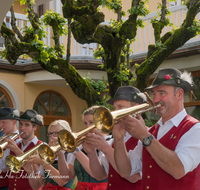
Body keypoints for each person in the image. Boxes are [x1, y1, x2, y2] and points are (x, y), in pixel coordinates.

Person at [113, 68, 200, 190]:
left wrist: (144, 136)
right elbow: (125, 171)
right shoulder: (151, 131)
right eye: (154, 94)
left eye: (162, 93)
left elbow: (178, 169)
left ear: (179, 94)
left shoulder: (195, 128)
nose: (155, 100)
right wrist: (118, 139)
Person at [83, 86, 147, 190]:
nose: (114, 113)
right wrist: (92, 153)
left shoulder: (146, 137)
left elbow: (133, 177)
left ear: (136, 108)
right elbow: (100, 175)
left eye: (120, 107)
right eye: (114, 108)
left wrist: (105, 148)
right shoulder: (114, 139)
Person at [58, 106, 112, 190]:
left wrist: (75, 150)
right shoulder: (80, 146)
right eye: (85, 123)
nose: (87, 127)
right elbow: (66, 177)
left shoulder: (109, 143)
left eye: (91, 122)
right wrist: (60, 154)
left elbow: (97, 175)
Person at [28, 120, 75, 190]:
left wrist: (43, 162)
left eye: (56, 133)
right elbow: (36, 186)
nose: (52, 137)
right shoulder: (46, 154)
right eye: (50, 134)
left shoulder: (71, 154)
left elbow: (62, 181)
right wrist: (30, 172)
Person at [5, 109, 44, 190]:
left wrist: (17, 150)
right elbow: (2, 167)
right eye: (21, 124)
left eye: (27, 125)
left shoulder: (42, 147)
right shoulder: (14, 144)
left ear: (35, 127)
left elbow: (39, 175)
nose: (22, 128)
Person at [0, 107, 20, 190]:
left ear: (14, 122)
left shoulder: (20, 140)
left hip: (8, 185)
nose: (0, 125)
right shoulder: (1, 138)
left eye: (4, 122)